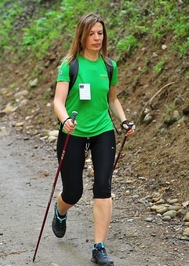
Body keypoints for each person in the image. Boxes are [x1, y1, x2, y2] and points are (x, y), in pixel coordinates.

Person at [52, 13, 135, 266]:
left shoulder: (109, 66)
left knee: (103, 187)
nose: (96, 38)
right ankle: (61, 211)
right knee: (74, 191)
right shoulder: (70, 65)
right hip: (73, 132)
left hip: (102, 131)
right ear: (82, 35)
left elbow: (112, 99)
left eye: (100, 33)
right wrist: (65, 119)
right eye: (91, 33)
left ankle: (99, 247)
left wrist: (123, 120)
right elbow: (58, 101)